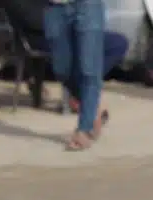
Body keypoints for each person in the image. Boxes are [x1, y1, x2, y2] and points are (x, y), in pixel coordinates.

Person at [44, 0, 107, 150]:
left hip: (89, 6)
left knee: (89, 70)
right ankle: (91, 108)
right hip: (55, 6)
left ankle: (84, 129)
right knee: (61, 69)